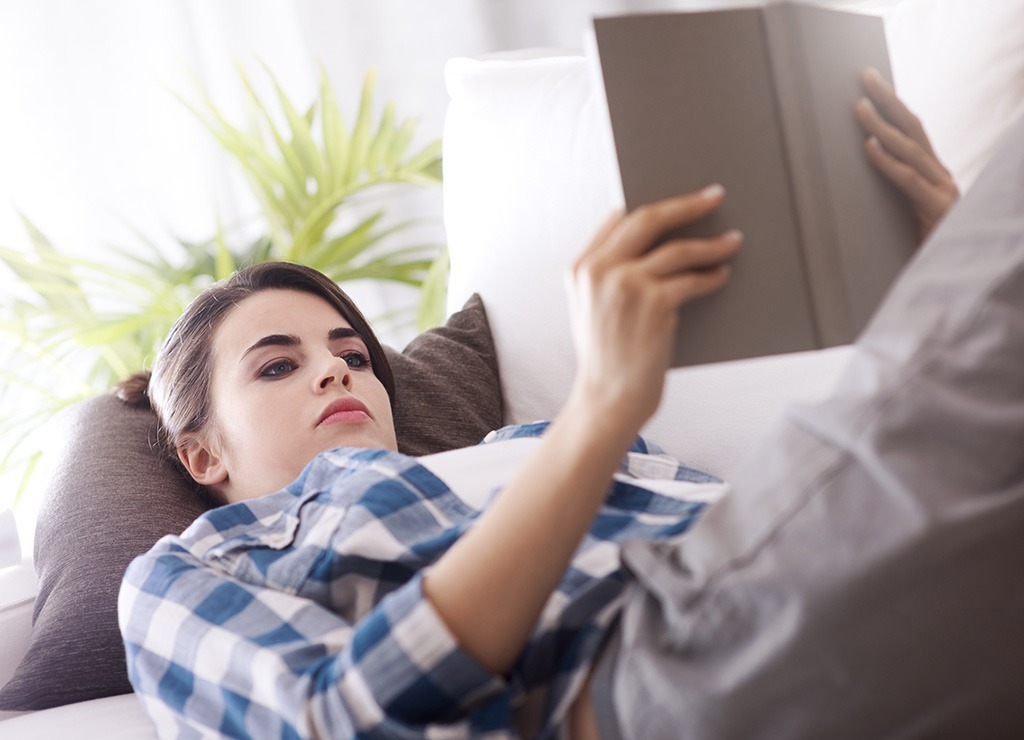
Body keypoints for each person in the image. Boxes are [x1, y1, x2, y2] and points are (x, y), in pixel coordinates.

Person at [114, 68, 1001, 739]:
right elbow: (341, 718)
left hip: (775, 558)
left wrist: (940, 279)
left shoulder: (524, 440)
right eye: (277, 367)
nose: (337, 372)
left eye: (353, 353)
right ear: (201, 453)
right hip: (638, 667)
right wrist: (601, 412)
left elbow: (767, 513)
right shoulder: (200, 568)